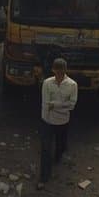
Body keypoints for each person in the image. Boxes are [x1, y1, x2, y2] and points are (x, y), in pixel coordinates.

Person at [38, 58, 77, 186]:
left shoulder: (72, 85)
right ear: (53, 70)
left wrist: (55, 105)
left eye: (61, 72)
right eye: (57, 71)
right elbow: (46, 104)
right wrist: (62, 105)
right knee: (45, 149)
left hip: (62, 122)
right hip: (47, 121)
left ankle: (58, 157)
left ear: (65, 71)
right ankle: (44, 177)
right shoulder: (47, 83)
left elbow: (71, 105)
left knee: (60, 146)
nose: (59, 74)